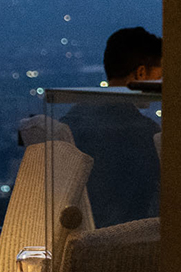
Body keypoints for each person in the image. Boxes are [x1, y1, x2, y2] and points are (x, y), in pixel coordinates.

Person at [64, 27, 162, 228]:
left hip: (80, 232)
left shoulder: (73, 119)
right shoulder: (143, 133)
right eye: (161, 76)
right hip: (126, 238)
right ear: (141, 73)